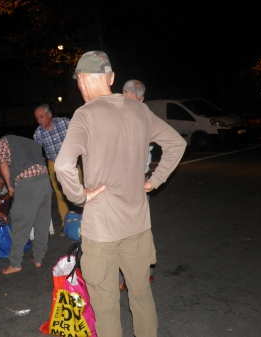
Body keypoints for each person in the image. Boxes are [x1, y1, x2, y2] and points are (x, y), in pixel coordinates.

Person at [54, 51, 186, 337]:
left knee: (106, 306)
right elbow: (176, 144)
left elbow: (63, 165)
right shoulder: (139, 109)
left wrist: (81, 196)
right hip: (137, 224)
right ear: (112, 78)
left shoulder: (85, 115)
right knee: (141, 296)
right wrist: (153, 182)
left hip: (102, 229)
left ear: (81, 81)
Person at [118, 79, 156, 290]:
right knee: (119, 229)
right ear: (123, 94)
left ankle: (145, 271)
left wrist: (151, 180)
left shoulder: (145, 117)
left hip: (139, 181)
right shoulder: (116, 114)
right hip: (120, 182)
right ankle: (121, 277)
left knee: (140, 228)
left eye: (137, 101)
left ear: (141, 100)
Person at [0, 135, 52, 275]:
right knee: (42, 222)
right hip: (45, 181)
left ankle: (15, 263)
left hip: (27, 183)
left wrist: (10, 187)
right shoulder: (33, 143)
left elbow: (3, 164)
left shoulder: (3, 141)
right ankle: (38, 259)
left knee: (21, 223)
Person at [33, 104, 82, 236]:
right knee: (61, 195)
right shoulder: (38, 134)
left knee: (79, 191)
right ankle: (65, 224)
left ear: (49, 115)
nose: (39, 120)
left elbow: (79, 136)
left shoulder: (64, 123)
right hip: (53, 164)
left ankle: (85, 221)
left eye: (41, 117)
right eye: (37, 118)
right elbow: (37, 153)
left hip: (71, 162)